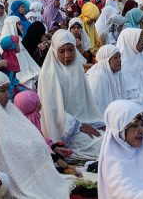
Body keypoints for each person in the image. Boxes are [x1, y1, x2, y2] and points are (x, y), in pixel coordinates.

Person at [0, 70, 71, 199]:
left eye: (7, 89)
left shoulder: (9, 110)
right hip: (1, 176)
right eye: (2, 91)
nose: (7, 95)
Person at [37, 29, 104, 160]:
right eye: (62, 51)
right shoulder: (48, 75)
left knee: (112, 137)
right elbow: (53, 111)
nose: (67, 55)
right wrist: (78, 125)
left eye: (71, 50)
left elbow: (86, 102)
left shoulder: (76, 67)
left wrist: (90, 122)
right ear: (55, 51)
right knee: (102, 146)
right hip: (62, 129)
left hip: (83, 123)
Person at [86, 44, 126, 112]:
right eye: (115, 57)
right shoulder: (98, 78)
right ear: (106, 60)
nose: (119, 60)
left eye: (119, 57)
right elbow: (94, 106)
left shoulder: (118, 74)